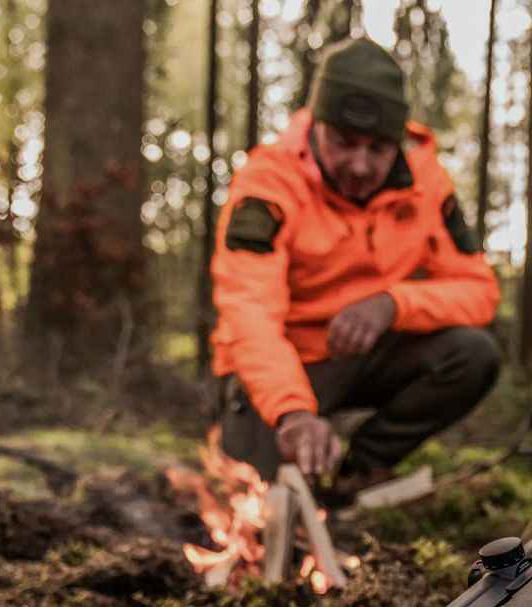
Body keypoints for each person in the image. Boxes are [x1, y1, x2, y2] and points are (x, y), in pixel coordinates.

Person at [209, 37, 503, 498]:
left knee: (472, 353)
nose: (361, 165)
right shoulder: (268, 181)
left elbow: (479, 290)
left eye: (378, 148)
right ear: (317, 126)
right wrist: (293, 411)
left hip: (372, 356)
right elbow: (248, 313)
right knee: (259, 501)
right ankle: (290, 444)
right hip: (289, 363)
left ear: (399, 139)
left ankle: (359, 470)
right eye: (344, 144)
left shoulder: (426, 181)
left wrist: (393, 304)